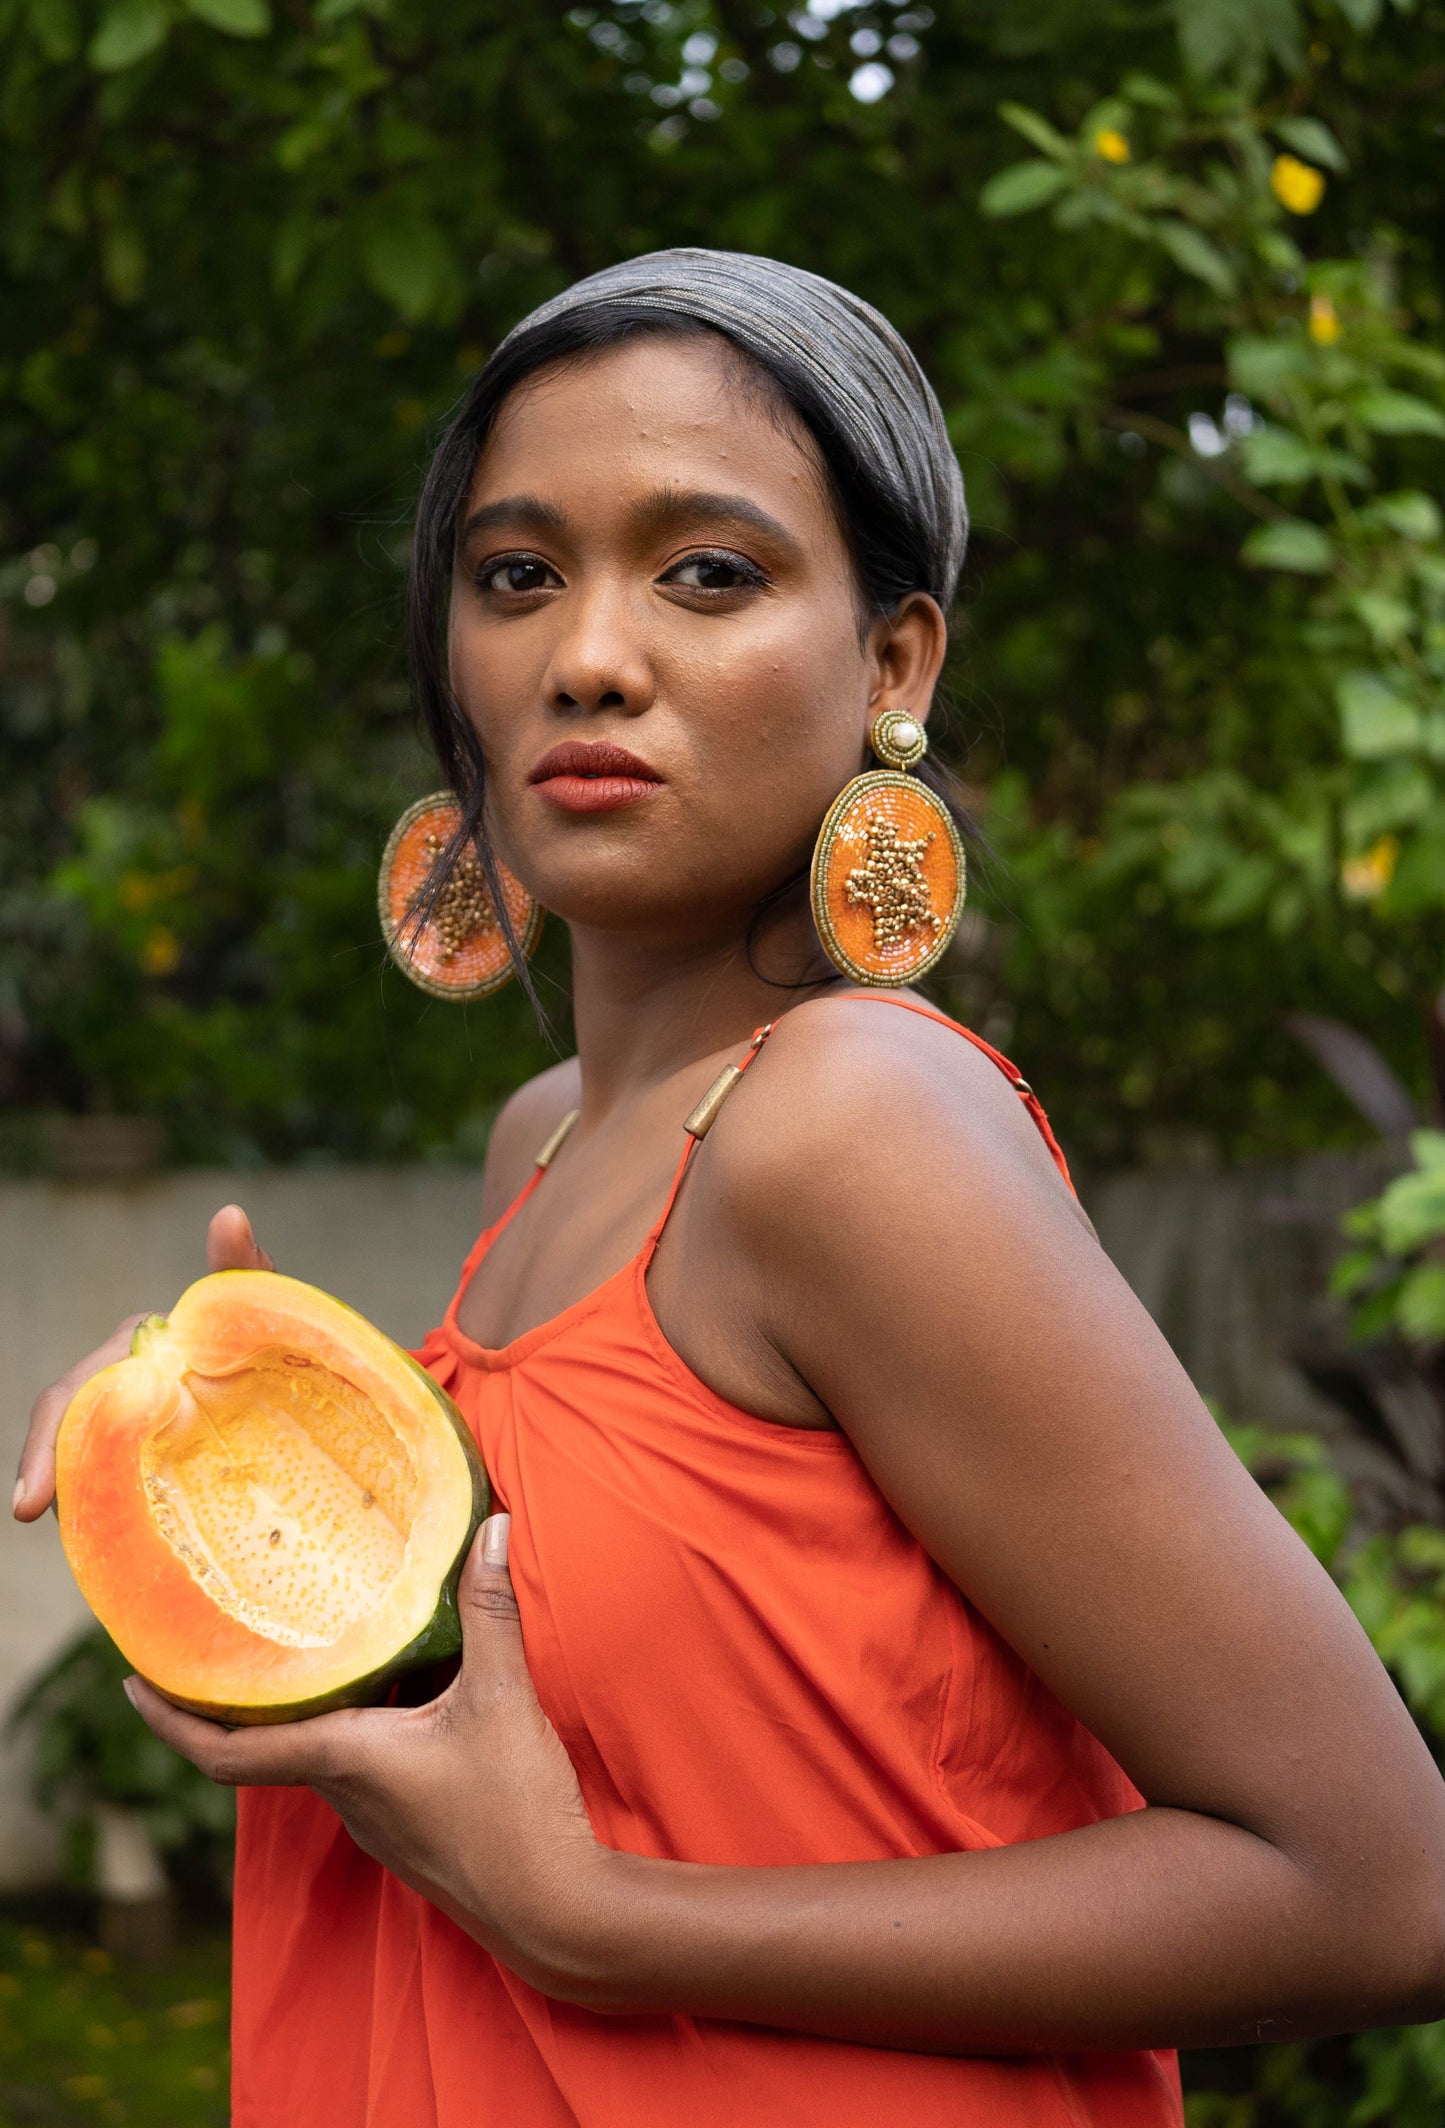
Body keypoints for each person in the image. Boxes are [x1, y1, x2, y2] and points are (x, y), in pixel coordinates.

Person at [17, 250, 1445, 2128]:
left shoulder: (849, 1121)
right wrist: (217, 1473)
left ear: (893, 663)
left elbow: (1371, 1886)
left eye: (708, 572)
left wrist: (601, 1925)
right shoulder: (538, 1144)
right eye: (514, 575)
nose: (585, 654)